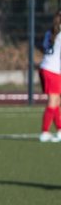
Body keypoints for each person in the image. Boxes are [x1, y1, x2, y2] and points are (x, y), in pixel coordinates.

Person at [39, 10, 61, 142]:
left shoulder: (50, 32)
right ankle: (44, 132)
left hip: (46, 68)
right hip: (53, 71)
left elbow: (44, 48)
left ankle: (59, 130)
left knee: (57, 101)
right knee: (53, 102)